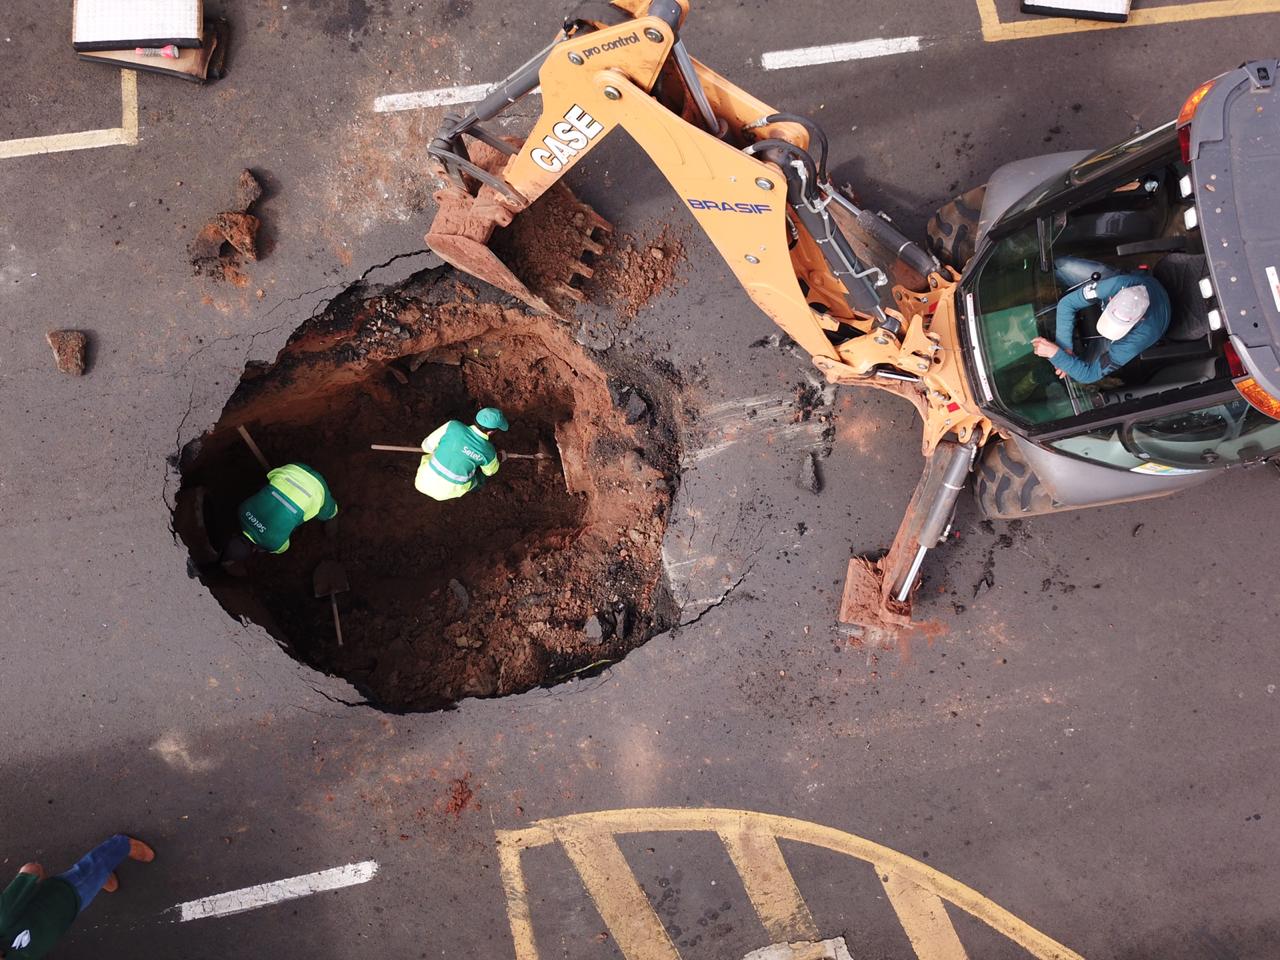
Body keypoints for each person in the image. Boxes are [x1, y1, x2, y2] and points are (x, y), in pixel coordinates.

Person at [0, 835, 154, 959]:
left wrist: (34, 884)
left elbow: (31, 870)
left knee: (89, 872)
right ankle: (102, 875)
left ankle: (123, 844)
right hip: (65, 916)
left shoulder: (3, 918)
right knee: (93, 879)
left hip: (65, 892)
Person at [1030, 263, 1171, 385]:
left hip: (1152, 322)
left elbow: (1089, 375)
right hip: (1139, 283)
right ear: (1113, 297)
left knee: (1076, 373)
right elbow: (1066, 304)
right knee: (1061, 265)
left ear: (1140, 319)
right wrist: (1065, 349)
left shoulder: (1142, 336)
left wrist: (1055, 354)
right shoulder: (1118, 285)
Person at [223, 462, 338, 564]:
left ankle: (333, 514)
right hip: (294, 469)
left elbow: (284, 546)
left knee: (326, 512)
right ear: (234, 534)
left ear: (253, 550)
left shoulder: (273, 544)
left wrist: (265, 546)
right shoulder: (242, 510)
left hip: (316, 489)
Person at [414, 407, 508, 501]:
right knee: (481, 477)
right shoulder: (488, 450)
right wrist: (499, 458)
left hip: (422, 481)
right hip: (447, 493)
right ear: (491, 432)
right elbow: (490, 472)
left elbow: (426, 447)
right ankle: (474, 488)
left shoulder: (452, 426)